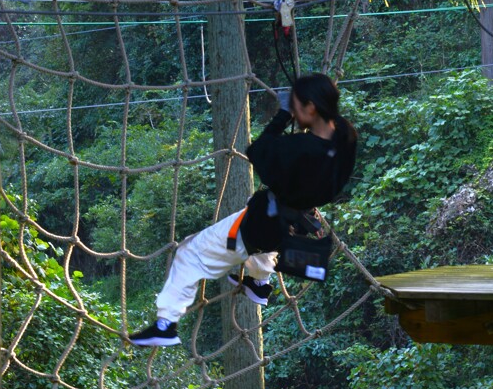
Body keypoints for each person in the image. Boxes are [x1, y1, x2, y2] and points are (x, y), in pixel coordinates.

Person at [129, 73, 357, 346]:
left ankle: (165, 324)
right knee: (261, 236)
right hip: (295, 220)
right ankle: (258, 282)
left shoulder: (300, 148)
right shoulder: (345, 135)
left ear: (310, 107)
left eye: (297, 106)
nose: (294, 110)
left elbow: (257, 150)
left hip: (261, 225)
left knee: (189, 253)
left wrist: (283, 115)